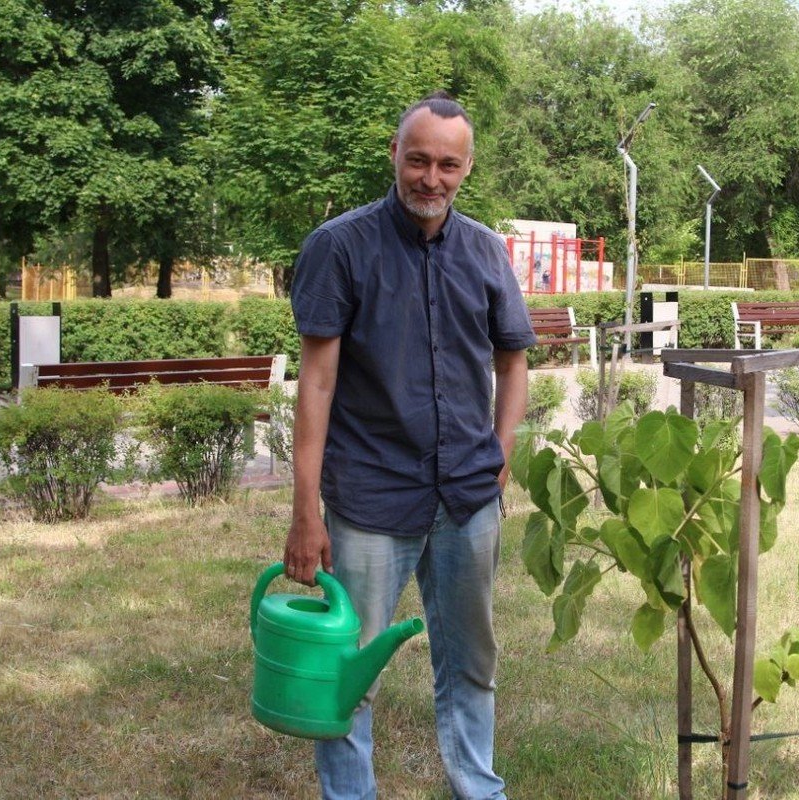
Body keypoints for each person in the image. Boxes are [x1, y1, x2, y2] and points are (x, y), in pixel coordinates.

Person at [284, 90, 535, 800]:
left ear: (467, 167)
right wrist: (306, 511)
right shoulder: (340, 247)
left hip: (466, 496)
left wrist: (502, 451)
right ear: (394, 154)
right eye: (418, 159)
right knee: (349, 667)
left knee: (471, 663)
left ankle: (477, 790)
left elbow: (514, 360)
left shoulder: (486, 250)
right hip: (369, 495)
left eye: (447, 165)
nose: (431, 178)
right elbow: (317, 385)